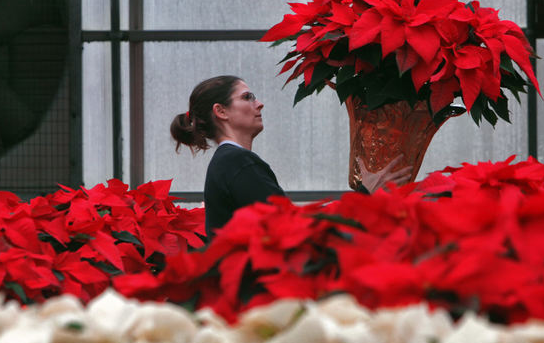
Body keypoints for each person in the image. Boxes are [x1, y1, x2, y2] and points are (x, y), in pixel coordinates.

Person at [170, 75, 409, 238]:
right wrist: (363, 196)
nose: (259, 103)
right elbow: (290, 225)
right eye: (247, 97)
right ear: (221, 111)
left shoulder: (229, 162)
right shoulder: (237, 162)